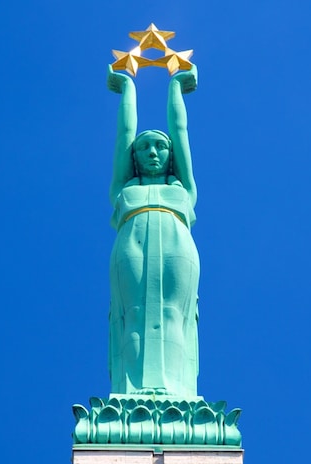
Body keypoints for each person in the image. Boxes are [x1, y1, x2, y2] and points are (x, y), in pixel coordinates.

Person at [106, 65, 200, 398]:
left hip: (177, 244)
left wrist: (175, 88)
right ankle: (132, 390)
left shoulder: (184, 190)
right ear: (134, 158)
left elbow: (181, 131)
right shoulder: (123, 191)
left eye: (160, 147)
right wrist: (127, 89)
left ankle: (177, 390)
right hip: (131, 244)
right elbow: (123, 136)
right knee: (133, 313)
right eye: (144, 148)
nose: (152, 152)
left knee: (174, 313)